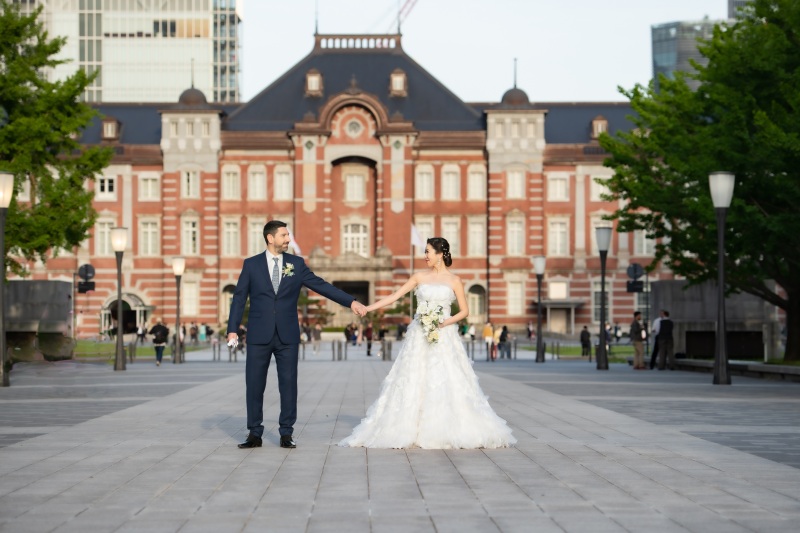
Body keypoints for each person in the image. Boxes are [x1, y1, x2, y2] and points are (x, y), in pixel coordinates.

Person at [339, 237, 516, 449]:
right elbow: (395, 296)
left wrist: (444, 322)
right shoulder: (418, 277)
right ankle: (409, 425)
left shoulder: (455, 280)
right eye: (425, 251)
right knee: (414, 376)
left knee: (445, 377)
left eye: (428, 252)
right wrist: (368, 308)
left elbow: (465, 311)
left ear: (440, 254)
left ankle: (447, 426)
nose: (425, 256)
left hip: (444, 335)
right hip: (419, 334)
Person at [227, 220, 367, 450]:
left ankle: (286, 433)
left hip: (287, 336)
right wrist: (232, 328)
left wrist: (350, 301)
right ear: (270, 238)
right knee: (254, 385)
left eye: (288, 235)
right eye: (284, 235)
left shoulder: (296, 264)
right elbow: (239, 298)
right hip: (258, 335)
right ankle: (254, 432)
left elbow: (322, 286)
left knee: (288, 384)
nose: (288, 239)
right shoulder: (251, 265)